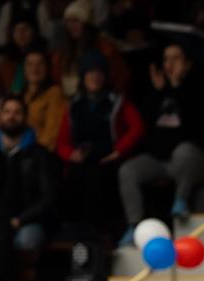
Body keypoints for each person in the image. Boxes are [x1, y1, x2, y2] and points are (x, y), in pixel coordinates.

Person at [117, 42, 204, 245]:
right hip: (159, 161)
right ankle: (135, 225)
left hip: (189, 162)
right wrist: (158, 92)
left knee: (185, 151)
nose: (170, 64)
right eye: (166, 59)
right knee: (128, 170)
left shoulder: (198, 89)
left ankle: (181, 201)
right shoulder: (156, 90)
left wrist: (177, 88)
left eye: (176, 58)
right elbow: (145, 128)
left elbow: (194, 127)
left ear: (187, 64)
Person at [57, 49, 143, 235]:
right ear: (83, 76)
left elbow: (137, 127)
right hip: (80, 160)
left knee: (100, 180)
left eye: (99, 73)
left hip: (108, 159)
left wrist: (118, 151)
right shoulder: (73, 104)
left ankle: (101, 234)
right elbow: (62, 141)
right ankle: (77, 233)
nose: (95, 77)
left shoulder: (117, 101)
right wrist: (70, 154)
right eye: (90, 72)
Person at [0, 94, 57, 255]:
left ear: (25, 117)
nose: (11, 117)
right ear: (0, 116)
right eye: (7, 112)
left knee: (25, 241)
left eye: (17, 112)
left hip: (27, 221)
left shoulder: (40, 154)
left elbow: (49, 196)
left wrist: (19, 220)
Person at [16, 45, 66, 152]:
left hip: (40, 155)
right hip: (18, 152)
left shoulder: (54, 94)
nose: (34, 68)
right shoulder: (20, 95)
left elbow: (51, 134)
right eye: (30, 64)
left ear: (47, 68)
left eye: (40, 64)